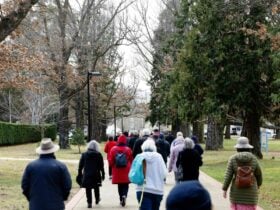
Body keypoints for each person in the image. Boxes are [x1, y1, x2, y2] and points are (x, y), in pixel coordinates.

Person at [21, 138, 72, 210]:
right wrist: (62, 197)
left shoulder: (31, 166)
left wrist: (31, 198)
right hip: (56, 205)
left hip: (36, 205)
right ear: (53, 151)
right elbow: (67, 185)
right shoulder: (61, 166)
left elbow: (24, 186)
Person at [222, 136, 263, 210]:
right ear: (248, 148)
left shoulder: (232, 159)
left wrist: (225, 189)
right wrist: (259, 184)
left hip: (236, 193)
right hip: (251, 193)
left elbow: (228, 176)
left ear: (237, 148)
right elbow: (259, 174)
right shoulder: (254, 158)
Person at [134, 138, 167, 210]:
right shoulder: (159, 157)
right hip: (157, 190)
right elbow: (164, 173)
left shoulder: (139, 157)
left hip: (142, 189)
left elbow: (133, 174)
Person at [78, 140, 105, 208]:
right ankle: (97, 198)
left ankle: (89, 202)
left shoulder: (84, 154)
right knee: (96, 187)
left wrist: (80, 173)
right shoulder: (98, 155)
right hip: (96, 173)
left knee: (88, 188)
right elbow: (101, 166)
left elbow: (81, 165)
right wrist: (103, 174)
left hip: (87, 173)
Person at [109, 134, 133, 207]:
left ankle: (120, 198)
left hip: (117, 170)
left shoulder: (113, 149)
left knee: (120, 185)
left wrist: (112, 166)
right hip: (126, 169)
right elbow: (131, 160)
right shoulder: (128, 149)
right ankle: (124, 195)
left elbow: (111, 160)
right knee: (125, 184)